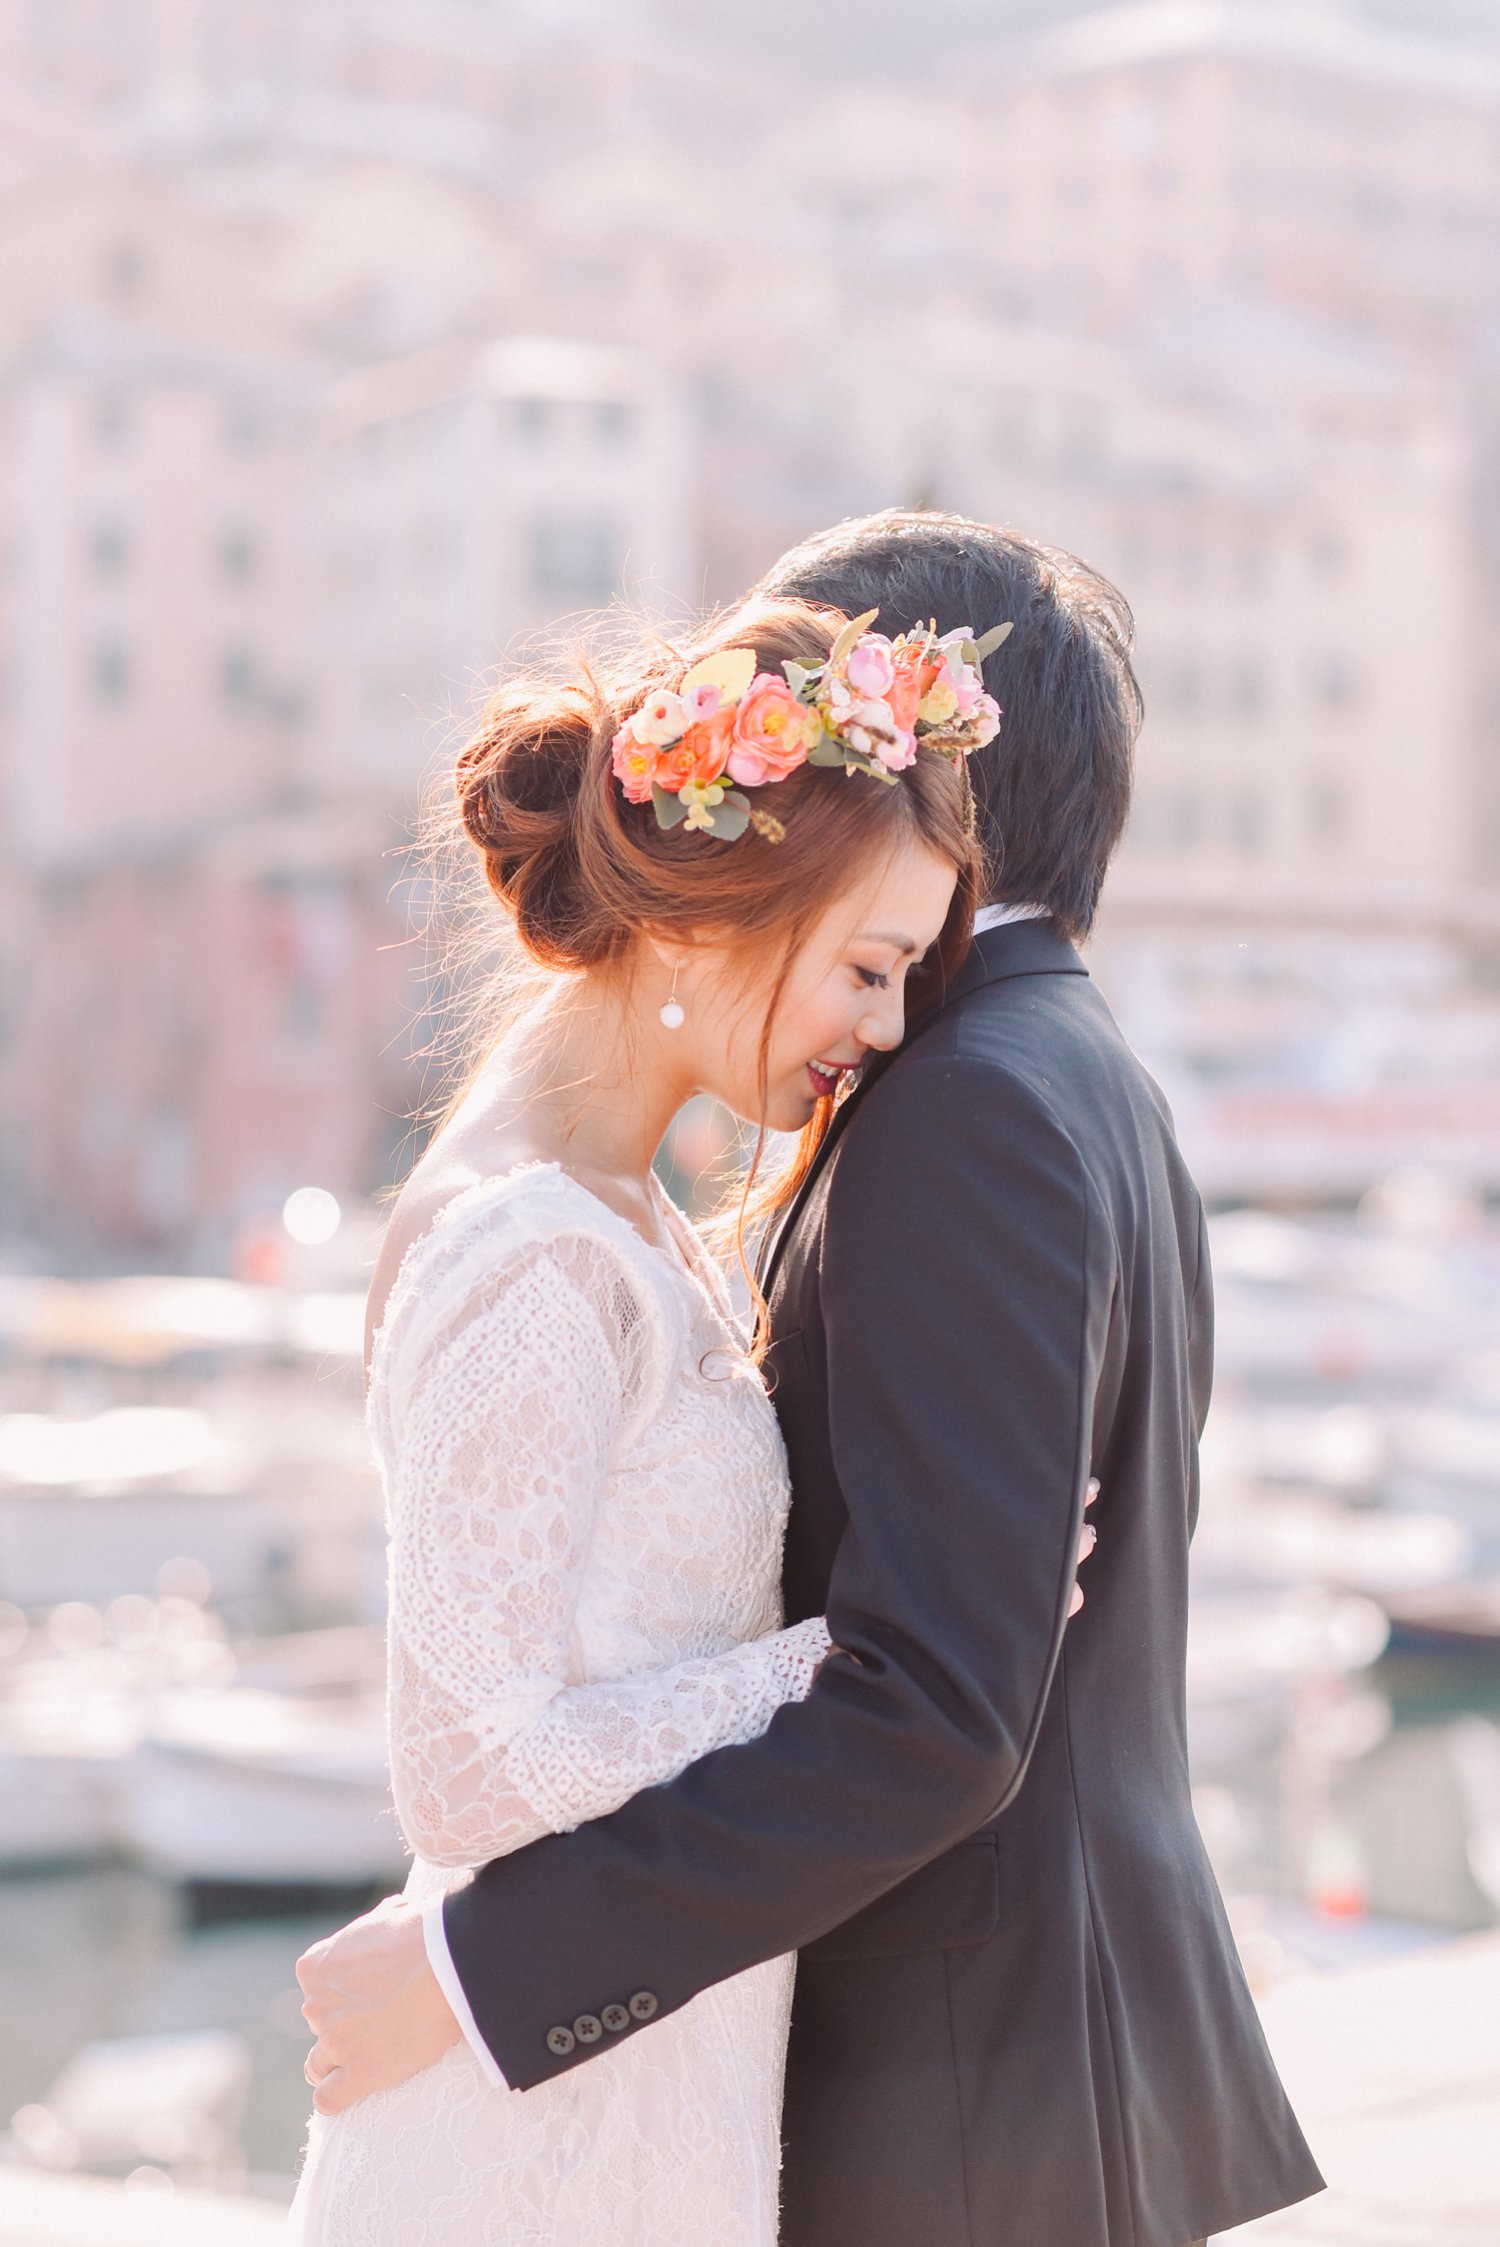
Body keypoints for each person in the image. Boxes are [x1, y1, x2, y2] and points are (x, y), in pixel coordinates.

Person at [298, 513, 1325, 2247]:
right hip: (944, 2074)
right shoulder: (1077, 1076)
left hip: (959, 2092)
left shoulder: (971, 1108)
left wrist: (484, 1972)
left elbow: (932, 1705)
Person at [289, 587, 1022, 2244]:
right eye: (868, 965)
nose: (885, 1027)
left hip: (632, 2074)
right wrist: (846, 1661)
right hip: (529, 2149)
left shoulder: (620, 1212)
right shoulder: (538, 1252)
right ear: (709, 922)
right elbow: (469, 1769)